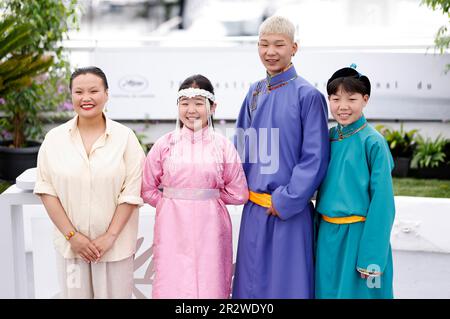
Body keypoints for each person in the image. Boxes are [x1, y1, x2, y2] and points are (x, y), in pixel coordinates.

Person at [232, 16, 330, 298]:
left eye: (279, 44)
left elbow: (315, 157)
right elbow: (241, 147)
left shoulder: (308, 95)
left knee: (288, 288)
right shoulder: (254, 92)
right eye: (263, 44)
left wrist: (286, 199)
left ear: (294, 48)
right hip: (254, 211)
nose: (270, 52)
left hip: (289, 212)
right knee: (249, 288)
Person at [34, 66, 145, 299]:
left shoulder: (125, 138)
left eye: (94, 91)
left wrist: (109, 237)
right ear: (71, 96)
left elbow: (131, 192)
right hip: (72, 251)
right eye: (79, 92)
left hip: (116, 249)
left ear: (106, 94)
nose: (86, 98)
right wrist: (73, 237)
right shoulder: (54, 139)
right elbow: (47, 190)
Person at [141, 74, 248, 299]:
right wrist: (169, 202)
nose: (191, 110)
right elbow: (147, 187)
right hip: (171, 224)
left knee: (212, 279)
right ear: (177, 106)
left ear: (212, 107)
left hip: (212, 225)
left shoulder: (223, 146)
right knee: (172, 279)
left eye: (199, 103)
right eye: (185, 103)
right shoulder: (164, 144)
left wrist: (210, 198)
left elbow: (239, 193)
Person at [315, 65, 395, 298]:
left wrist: (372, 257)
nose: (343, 106)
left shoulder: (373, 143)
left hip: (359, 238)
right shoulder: (328, 138)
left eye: (351, 98)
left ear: (365, 99)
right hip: (328, 237)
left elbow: (383, 204)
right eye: (335, 98)